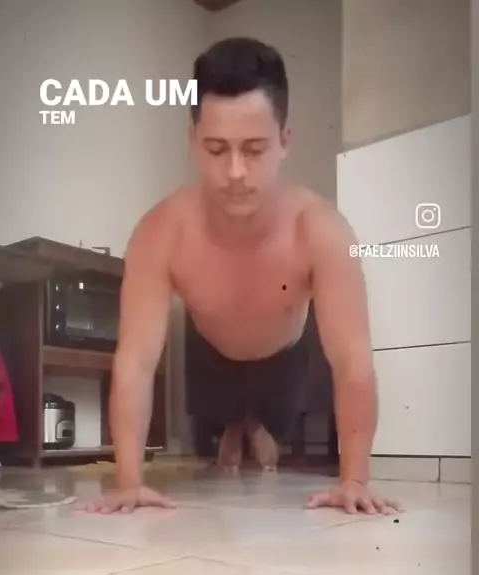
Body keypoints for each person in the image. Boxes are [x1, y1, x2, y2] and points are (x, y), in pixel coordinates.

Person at [81, 37, 401, 516]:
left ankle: (253, 422)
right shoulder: (160, 231)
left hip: (286, 351)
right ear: (192, 141)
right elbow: (135, 361)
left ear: (285, 141)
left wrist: (354, 480)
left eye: (254, 149)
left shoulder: (322, 230)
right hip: (212, 347)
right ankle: (235, 422)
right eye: (216, 149)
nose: (234, 171)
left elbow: (353, 362)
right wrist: (128, 481)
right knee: (220, 431)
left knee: (273, 441)